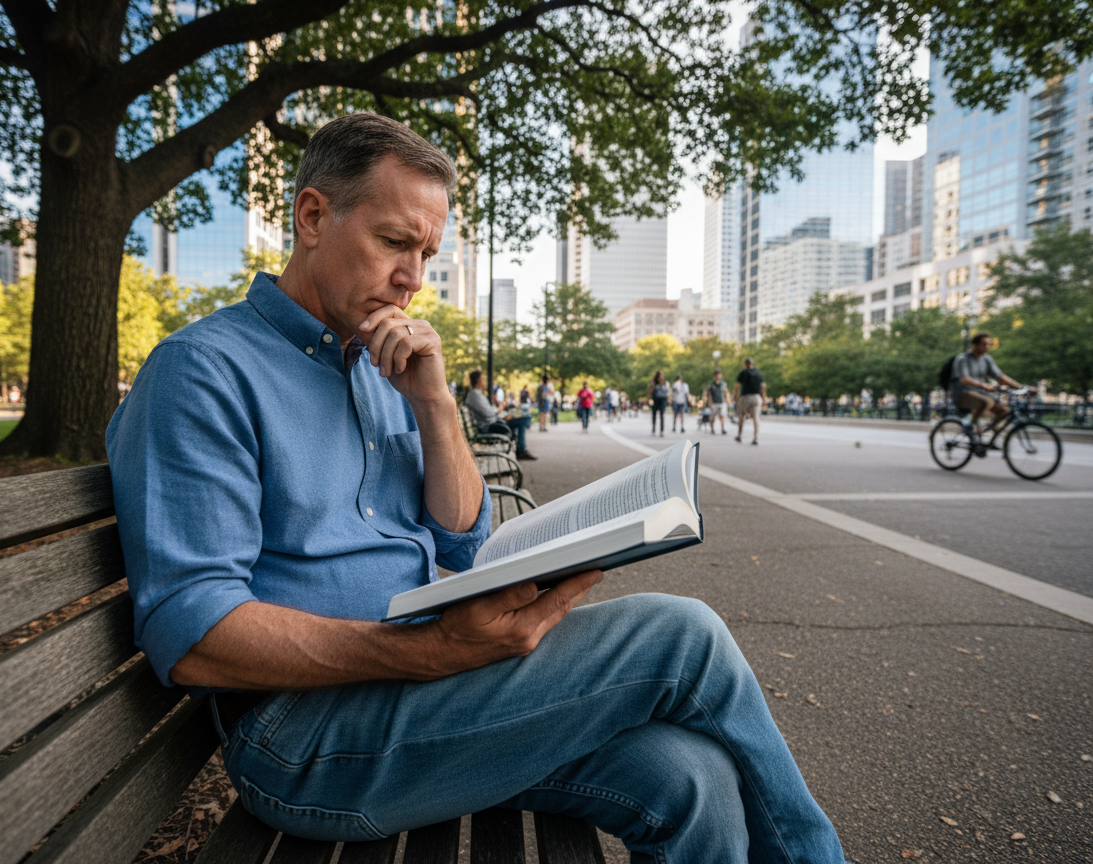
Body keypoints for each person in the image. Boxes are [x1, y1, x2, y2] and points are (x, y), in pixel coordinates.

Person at [106, 114, 844, 864]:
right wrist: (426, 654)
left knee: (693, 779)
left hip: (423, 696)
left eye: (426, 253)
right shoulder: (203, 371)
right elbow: (192, 631)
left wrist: (432, 403)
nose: (413, 278)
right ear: (312, 216)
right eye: (395, 242)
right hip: (306, 739)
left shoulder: (380, 366)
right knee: (682, 635)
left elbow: (463, 536)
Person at [950, 332, 1027, 436]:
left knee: (1004, 411)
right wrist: (984, 386)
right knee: (986, 402)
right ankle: (969, 426)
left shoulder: (986, 359)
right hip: (963, 393)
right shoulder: (963, 359)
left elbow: (1000, 376)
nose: (987, 347)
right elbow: (965, 379)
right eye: (984, 344)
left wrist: (1021, 387)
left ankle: (991, 436)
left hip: (982, 393)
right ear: (975, 345)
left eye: (989, 344)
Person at [464, 369, 537, 460]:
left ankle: (520, 449)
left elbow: (487, 412)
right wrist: (500, 411)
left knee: (522, 420)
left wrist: (501, 414)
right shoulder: (474, 395)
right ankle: (521, 449)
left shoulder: (476, 394)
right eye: (483, 379)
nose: (484, 382)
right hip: (490, 426)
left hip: (493, 423)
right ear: (478, 380)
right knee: (524, 419)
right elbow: (487, 413)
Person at [732, 358, 766, 445]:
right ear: (752, 364)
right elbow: (763, 386)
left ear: (745, 364)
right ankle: (755, 438)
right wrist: (764, 399)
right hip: (756, 397)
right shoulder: (758, 373)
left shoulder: (743, 372)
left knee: (741, 417)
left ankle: (739, 436)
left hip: (746, 397)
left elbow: (737, 386)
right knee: (755, 418)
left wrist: (735, 397)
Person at [704, 369, 729, 435]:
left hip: (722, 402)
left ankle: (723, 428)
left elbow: (726, 392)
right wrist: (709, 402)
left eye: (719, 374)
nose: (717, 376)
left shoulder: (723, 384)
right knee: (713, 417)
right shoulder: (711, 385)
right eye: (716, 375)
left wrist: (728, 400)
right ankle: (712, 429)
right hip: (714, 402)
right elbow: (709, 395)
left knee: (722, 416)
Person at [648, 371, 669, 437]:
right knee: (654, 415)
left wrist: (668, 399)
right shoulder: (654, 384)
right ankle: (654, 429)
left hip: (662, 400)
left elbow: (667, 392)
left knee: (662, 415)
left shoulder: (665, 383)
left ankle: (661, 430)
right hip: (655, 400)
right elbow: (650, 392)